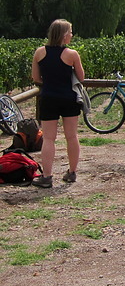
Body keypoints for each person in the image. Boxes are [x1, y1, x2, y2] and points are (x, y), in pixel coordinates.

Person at [31, 19, 85, 187]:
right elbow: (81, 77)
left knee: (48, 138)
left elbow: (36, 78)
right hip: (69, 98)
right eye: (70, 32)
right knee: (72, 136)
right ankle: (72, 172)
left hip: (48, 97)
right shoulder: (72, 54)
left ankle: (47, 176)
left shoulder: (39, 53)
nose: (71, 35)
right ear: (63, 35)